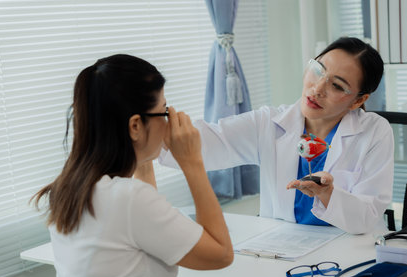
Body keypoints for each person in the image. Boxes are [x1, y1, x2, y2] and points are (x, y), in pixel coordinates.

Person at [31, 54, 233, 277]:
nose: (169, 122)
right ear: (135, 126)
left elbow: (140, 226)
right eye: (164, 112)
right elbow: (221, 254)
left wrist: (141, 157)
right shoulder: (128, 199)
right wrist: (192, 162)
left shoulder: (69, 187)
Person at [160, 37, 394, 234]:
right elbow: (208, 142)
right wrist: (152, 122)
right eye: (318, 71)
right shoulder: (269, 123)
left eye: (337, 86)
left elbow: (368, 216)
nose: (317, 89)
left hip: (349, 251)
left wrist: (328, 194)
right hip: (285, 248)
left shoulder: (374, 132)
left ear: (359, 100)